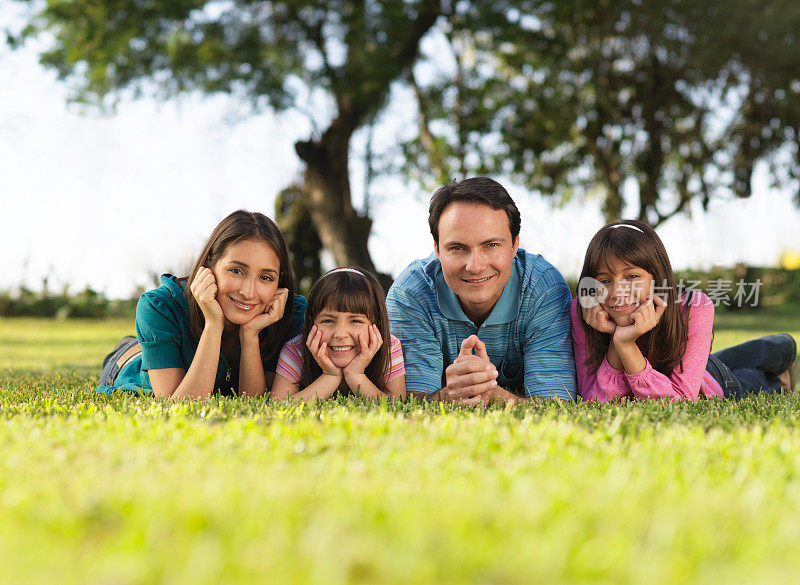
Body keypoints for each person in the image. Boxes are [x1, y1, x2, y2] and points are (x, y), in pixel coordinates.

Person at [386, 177, 576, 404]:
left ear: (515, 245)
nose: (475, 266)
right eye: (456, 248)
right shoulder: (410, 294)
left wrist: (493, 396)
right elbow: (409, 402)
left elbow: (556, 402)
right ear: (437, 249)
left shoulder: (544, 288)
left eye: (491, 245)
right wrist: (448, 395)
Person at [572, 219, 797, 402]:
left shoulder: (694, 307)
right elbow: (595, 400)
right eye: (604, 280)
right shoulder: (583, 312)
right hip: (697, 370)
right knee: (730, 371)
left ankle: (782, 356)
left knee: (765, 361)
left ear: (657, 278)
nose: (617, 291)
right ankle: (779, 366)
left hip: (699, 376)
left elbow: (681, 399)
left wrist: (626, 345)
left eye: (632, 276)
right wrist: (620, 343)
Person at [98, 210, 306, 399]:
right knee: (134, 350)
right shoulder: (160, 306)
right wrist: (213, 324)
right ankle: (128, 344)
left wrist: (250, 335)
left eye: (266, 277)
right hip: (129, 362)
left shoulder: (289, 313)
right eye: (236, 270)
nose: (248, 292)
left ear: (280, 280)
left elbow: (253, 401)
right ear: (209, 263)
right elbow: (181, 405)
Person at [272, 267, 406, 401]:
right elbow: (277, 404)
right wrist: (330, 376)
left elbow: (397, 404)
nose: (340, 334)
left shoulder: (389, 348)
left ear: (377, 324)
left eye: (355, 321)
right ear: (311, 323)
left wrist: (355, 374)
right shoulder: (296, 349)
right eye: (328, 320)